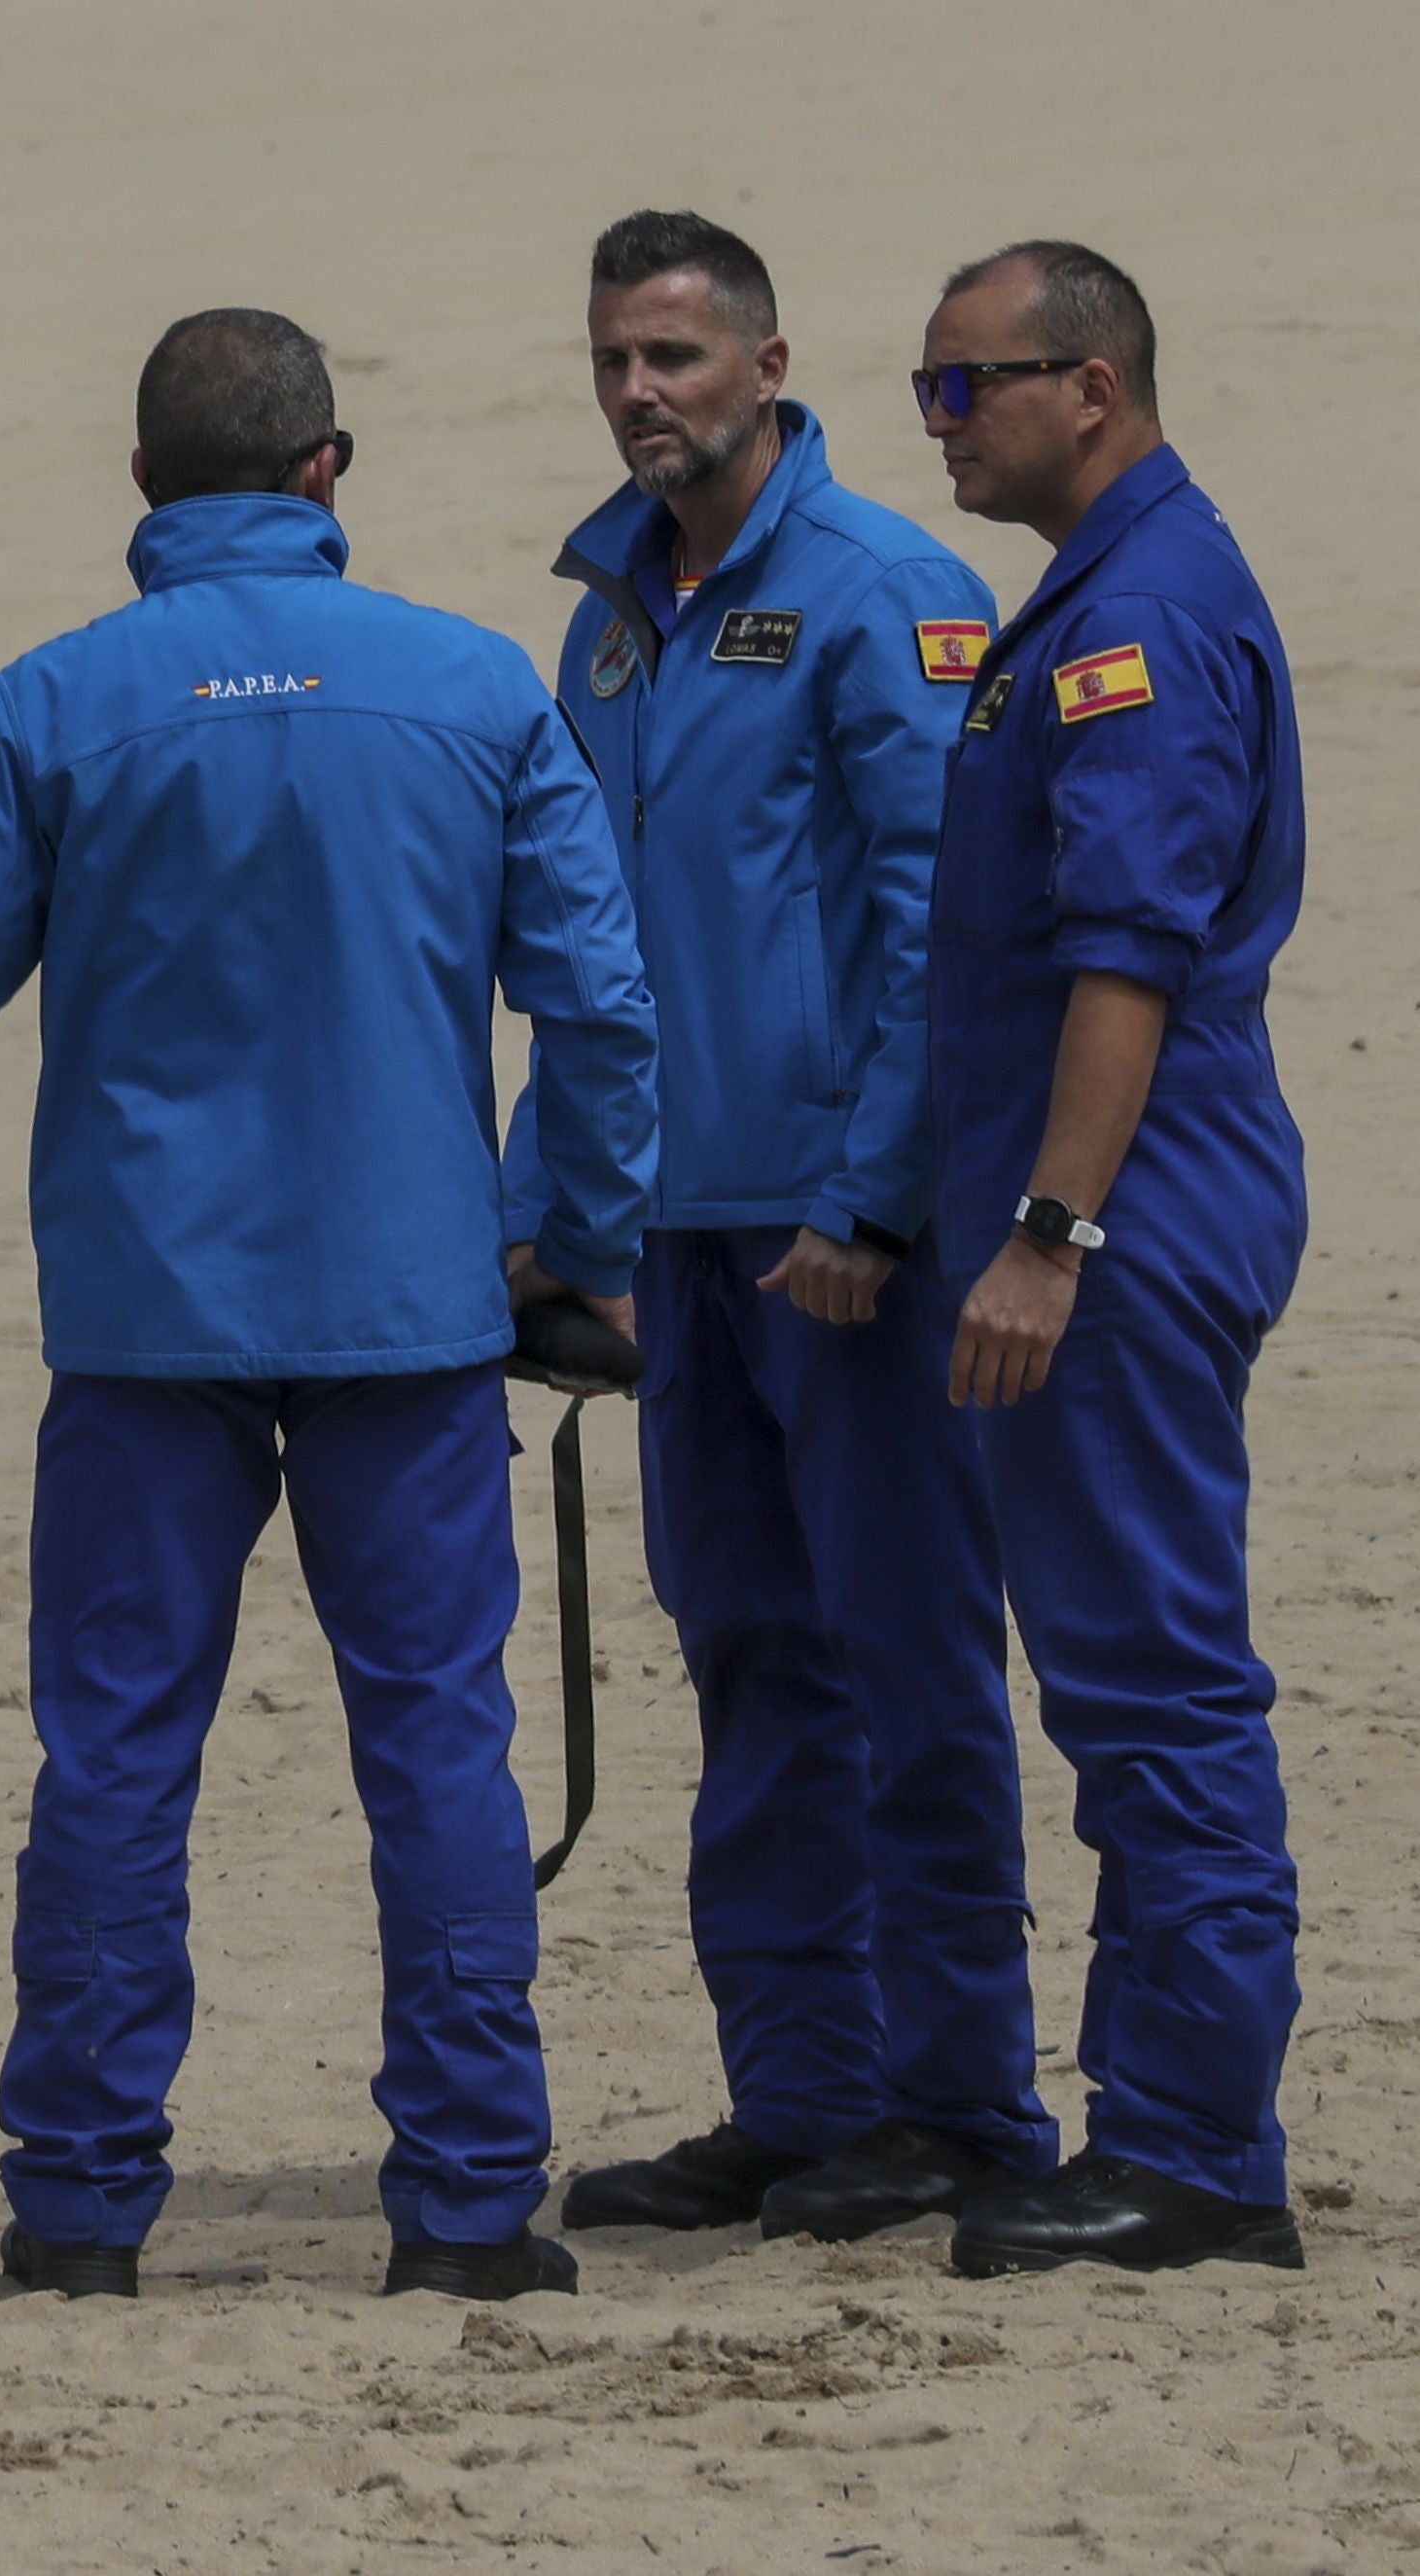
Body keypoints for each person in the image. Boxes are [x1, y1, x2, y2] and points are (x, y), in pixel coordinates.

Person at [0, 310, 660, 2303]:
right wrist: (569, 1228)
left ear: (145, 490)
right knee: (437, 1751)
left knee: (118, 1754)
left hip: (147, 1322)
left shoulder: (55, 698)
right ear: (328, 471)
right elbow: (604, 1002)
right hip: (407, 1307)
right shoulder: (471, 686)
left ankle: (74, 2206)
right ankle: (471, 2208)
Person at [519, 213, 1052, 2246]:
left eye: (671, 355)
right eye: (611, 360)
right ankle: (803, 2091)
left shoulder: (879, 595)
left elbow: (945, 929)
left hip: (847, 1250)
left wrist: (867, 1193)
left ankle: (964, 2100)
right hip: (678, 1241)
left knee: (904, 1659)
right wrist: (552, 1216)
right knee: (745, 1656)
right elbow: (581, 951)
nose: (639, 391)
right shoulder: (605, 615)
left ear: (762, 363)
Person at [916, 246, 1310, 2275]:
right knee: (1121, 1676)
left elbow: (1125, 954)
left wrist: (1050, 1234)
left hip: (1125, 1207)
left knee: (1152, 1681)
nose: (941, 425)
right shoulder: (1098, 587)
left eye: (962, 387)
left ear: (1088, 384)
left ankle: (1193, 2153)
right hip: (1113, 1192)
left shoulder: (1133, 614)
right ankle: (1160, 2123)